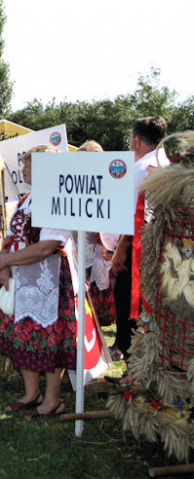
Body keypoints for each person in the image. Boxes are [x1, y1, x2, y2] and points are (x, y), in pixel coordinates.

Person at [0, 145, 76, 421]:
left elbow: (48, 246)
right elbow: (12, 235)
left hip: (48, 278)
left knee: (50, 339)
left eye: (28, 165)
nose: (24, 170)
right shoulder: (28, 197)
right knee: (23, 335)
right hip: (22, 274)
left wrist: (7, 261)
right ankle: (32, 394)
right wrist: (3, 262)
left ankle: (53, 400)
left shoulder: (57, 198)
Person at [111, 116, 169, 360]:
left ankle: (132, 369)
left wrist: (120, 249)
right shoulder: (165, 163)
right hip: (158, 248)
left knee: (129, 304)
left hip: (137, 250)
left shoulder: (141, 168)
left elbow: (136, 215)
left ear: (135, 139)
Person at [77, 140, 117, 333]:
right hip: (81, 246)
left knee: (97, 289)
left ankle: (97, 337)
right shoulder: (75, 183)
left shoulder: (108, 184)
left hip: (99, 247)